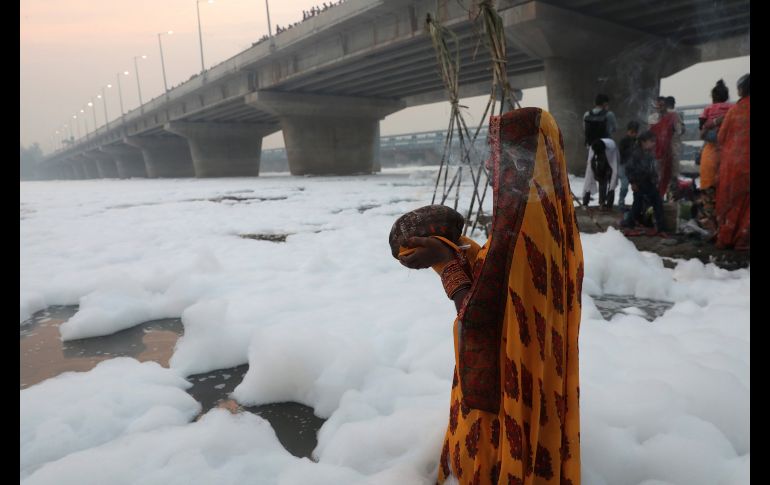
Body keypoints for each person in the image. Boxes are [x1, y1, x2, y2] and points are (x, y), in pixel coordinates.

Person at [398, 107, 583, 484]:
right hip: (542, 384)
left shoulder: (515, 236)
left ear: (523, 163)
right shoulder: (554, 224)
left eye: (499, 155)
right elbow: (502, 278)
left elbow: (477, 319)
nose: (489, 164)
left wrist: (446, 261)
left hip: (504, 400)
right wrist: (463, 251)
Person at [715, 74, 749, 250]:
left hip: (733, 165)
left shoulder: (734, 111)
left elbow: (721, 137)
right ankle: (742, 240)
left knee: (730, 201)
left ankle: (725, 238)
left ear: (741, 90)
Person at [696, 79, 733, 233]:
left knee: (708, 195)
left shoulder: (708, 109)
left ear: (713, 96)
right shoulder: (733, 108)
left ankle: (711, 227)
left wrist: (711, 125)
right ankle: (725, 225)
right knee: (725, 194)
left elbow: (701, 130)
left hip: (711, 155)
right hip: (729, 155)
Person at [623, 130, 665, 235]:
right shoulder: (635, 153)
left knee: (657, 203)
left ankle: (660, 228)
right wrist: (632, 182)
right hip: (639, 183)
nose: (653, 143)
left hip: (649, 182)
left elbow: (652, 168)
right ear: (643, 142)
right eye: (651, 141)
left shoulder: (649, 153)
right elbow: (629, 169)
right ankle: (629, 225)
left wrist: (656, 179)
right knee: (637, 205)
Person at [649, 97, 678, 199]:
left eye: (662, 105)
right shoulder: (653, 118)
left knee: (669, 177)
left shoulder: (673, 117)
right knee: (655, 178)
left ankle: (668, 199)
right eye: (658, 105)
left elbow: (678, 132)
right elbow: (649, 135)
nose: (660, 107)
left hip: (668, 152)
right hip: (655, 153)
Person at [581, 138, 619, 209]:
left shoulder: (612, 148)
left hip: (608, 165)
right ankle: (586, 200)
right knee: (590, 178)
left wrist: (611, 188)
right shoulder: (593, 148)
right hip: (599, 166)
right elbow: (589, 169)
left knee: (609, 181)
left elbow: (614, 169)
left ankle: (608, 203)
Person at [617, 121, 639, 209]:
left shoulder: (638, 141)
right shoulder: (624, 141)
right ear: (628, 131)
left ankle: (636, 204)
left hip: (634, 167)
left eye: (635, 132)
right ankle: (621, 203)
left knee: (637, 187)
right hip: (624, 166)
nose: (633, 134)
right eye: (631, 132)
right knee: (624, 186)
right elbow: (621, 153)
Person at [665, 96, 686, 189]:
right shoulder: (675, 115)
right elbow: (681, 130)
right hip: (673, 148)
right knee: (673, 175)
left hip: (664, 149)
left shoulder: (662, 114)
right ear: (673, 104)